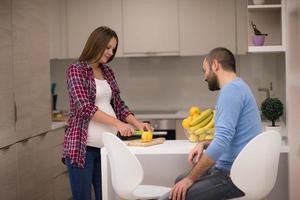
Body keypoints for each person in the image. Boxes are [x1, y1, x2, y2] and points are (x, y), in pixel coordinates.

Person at [160, 47, 262, 200]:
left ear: (215, 65)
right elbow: (229, 137)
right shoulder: (239, 86)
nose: (204, 77)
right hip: (236, 170)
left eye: (205, 70)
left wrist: (190, 179)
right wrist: (205, 144)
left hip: (234, 176)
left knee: (170, 197)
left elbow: (222, 141)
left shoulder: (230, 91)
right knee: (178, 181)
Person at [63, 26, 152, 200]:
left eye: (113, 48)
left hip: (107, 149)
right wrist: (118, 124)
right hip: (82, 149)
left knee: (107, 196)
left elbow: (118, 104)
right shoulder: (77, 70)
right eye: (108, 47)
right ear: (96, 44)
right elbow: (84, 107)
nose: (111, 52)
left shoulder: (107, 72)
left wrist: (137, 123)